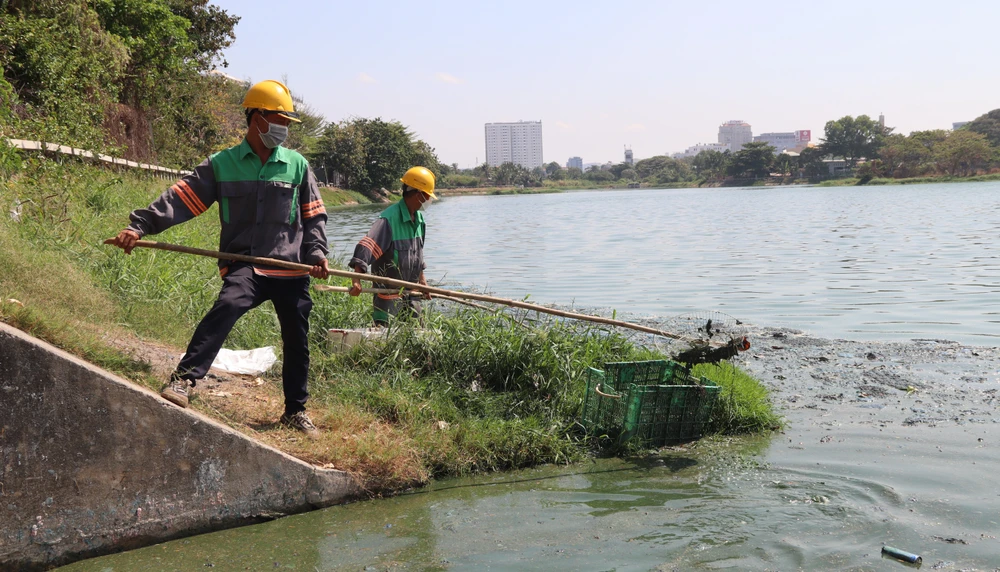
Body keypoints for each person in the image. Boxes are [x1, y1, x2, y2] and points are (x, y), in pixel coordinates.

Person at [109, 79, 329, 437]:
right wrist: (140, 227)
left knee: (297, 338)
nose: (284, 128)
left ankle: (295, 411)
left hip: (290, 268)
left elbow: (314, 215)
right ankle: (183, 380)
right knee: (226, 307)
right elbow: (181, 199)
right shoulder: (223, 164)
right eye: (279, 119)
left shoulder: (297, 166)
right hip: (246, 265)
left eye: (287, 122)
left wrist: (316, 253)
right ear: (256, 117)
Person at [349, 166, 435, 325]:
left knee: (418, 337)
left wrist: (423, 283)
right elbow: (365, 248)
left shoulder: (420, 221)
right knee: (385, 341)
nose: (429, 201)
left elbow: (418, 256)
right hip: (388, 295)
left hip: (412, 294)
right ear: (418, 195)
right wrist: (356, 280)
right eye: (428, 196)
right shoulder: (388, 220)